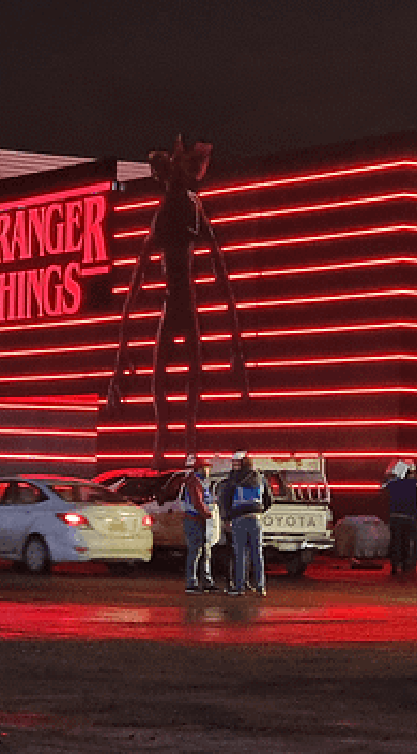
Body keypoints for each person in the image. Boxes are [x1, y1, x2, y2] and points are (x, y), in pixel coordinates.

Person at [106, 136, 249, 468]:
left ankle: (181, 446)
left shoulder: (186, 207)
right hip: (177, 302)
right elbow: (140, 278)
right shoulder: (178, 209)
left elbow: (217, 269)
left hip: (180, 302)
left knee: (178, 373)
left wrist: (237, 346)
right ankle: (171, 446)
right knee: (171, 374)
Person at [220, 450, 272, 596]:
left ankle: (239, 587)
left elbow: (226, 498)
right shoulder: (260, 478)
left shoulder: (234, 478)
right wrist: (260, 510)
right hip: (255, 518)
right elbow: (269, 499)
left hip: (239, 518)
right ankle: (261, 586)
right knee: (257, 553)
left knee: (240, 553)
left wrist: (227, 518)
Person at [382, 460, 417, 575]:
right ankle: (405, 564)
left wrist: (388, 473)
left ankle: (395, 564)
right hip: (409, 517)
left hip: (395, 516)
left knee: (395, 541)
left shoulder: (394, 482)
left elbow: (383, 486)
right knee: (406, 541)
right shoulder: (415, 484)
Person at [182, 454, 217, 594]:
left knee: (204, 551)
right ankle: (192, 583)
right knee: (196, 551)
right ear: (200, 468)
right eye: (207, 468)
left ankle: (205, 581)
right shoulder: (194, 482)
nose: (209, 470)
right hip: (194, 519)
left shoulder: (200, 482)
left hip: (199, 519)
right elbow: (197, 502)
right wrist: (208, 514)